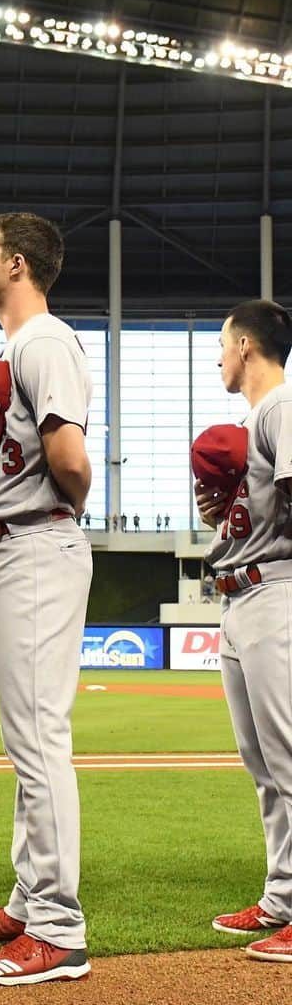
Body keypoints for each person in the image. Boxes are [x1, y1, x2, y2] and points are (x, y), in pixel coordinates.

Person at [0, 212, 93, 986]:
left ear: (21, 264)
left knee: (38, 742)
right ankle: (30, 899)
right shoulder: (16, 345)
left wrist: (31, 495)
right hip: (13, 545)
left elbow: (73, 464)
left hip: (38, 544)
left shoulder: (42, 339)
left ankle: (60, 932)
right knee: (25, 742)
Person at [194, 299, 292, 963]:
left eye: (223, 347)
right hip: (239, 596)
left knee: (287, 756)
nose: (220, 359)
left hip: (277, 592)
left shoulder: (282, 406)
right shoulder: (253, 419)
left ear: (248, 346)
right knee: (263, 763)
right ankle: (283, 896)